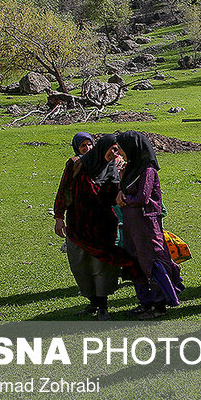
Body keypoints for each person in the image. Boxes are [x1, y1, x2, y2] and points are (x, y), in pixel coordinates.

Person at [53, 133, 135, 320]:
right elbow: (64, 189)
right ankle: (93, 301)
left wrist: (123, 178)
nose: (114, 153)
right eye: (112, 149)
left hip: (103, 225)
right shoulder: (76, 164)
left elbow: (118, 193)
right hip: (78, 225)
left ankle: (103, 306)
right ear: (103, 147)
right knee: (80, 266)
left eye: (117, 150)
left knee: (102, 266)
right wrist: (59, 216)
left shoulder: (113, 167)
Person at [116, 131, 184, 320]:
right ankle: (146, 302)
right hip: (132, 225)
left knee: (151, 262)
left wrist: (124, 198)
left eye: (121, 148)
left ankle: (160, 305)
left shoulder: (147, 170)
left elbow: (143, 197)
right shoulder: (131, 169)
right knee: (136, 263)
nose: (119, 153)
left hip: (146, 224)